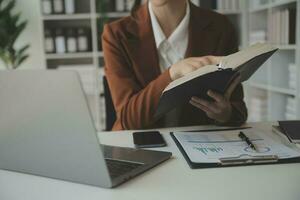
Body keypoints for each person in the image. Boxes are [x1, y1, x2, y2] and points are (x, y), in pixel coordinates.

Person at [102, 0, 247, 131]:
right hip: (140, 147)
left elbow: (238, 111)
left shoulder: (221, 27)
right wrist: (173, 73)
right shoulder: (116, 34)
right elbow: (128, 119)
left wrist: (225, 114)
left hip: (202, 144)